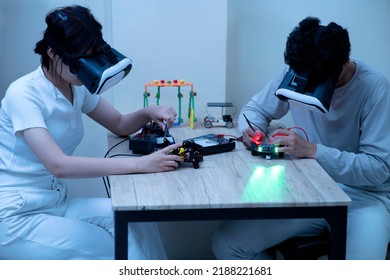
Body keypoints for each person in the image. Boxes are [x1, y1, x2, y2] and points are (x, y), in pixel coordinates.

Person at [0, 5, 184, 260]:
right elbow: (59, 165)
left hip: (57, 204)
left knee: (137, 217)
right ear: (53, 53)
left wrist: (148, 112)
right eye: (80, 60)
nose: (87, 68)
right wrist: (142, 164)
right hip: (17, 216)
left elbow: (119, 123)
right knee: (111, 247)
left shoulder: (76, 86)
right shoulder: (24, 94)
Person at [212, 16, 390, 260]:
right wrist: (251, 130)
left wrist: (313, 151)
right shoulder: (298, 69)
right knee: (227, 245)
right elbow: (255, 111)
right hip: (309, 188)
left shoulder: (375, 89)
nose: (309, 87)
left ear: (345, 61)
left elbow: (379, 169)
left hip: (363, 198)